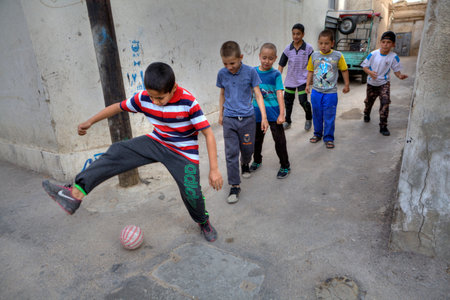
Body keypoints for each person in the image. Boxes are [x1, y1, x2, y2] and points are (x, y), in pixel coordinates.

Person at [42, 62, 223, 242]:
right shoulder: (144, 98)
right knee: (118, 150)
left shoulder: (188, 102)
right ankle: (75, 193)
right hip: (157, 141)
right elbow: (118, 107)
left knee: (191, 192)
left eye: (160, 98)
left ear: (173, 88)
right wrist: (91, 121)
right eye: (152, 97)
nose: (155, 102)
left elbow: (208, 133)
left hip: (184, 152)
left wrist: (214, 169)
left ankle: (203, 222)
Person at [216, 41, 269, 204]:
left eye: (232, 63)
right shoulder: (222, 73)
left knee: (247, 149)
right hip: (230, 119)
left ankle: (245, 163)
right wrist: (221, 113)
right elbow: (222, 94)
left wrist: (264, 117)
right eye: (225, 63)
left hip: (247, 119)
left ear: (241, 57)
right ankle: (234, 185)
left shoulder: (250, 72)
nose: (229, 67)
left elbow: (258, 94)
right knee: (231, 153)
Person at [250, 43, 291, 179]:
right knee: (256, 140)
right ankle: (257, 160)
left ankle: (285, 165)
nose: (267, 61)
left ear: (275, 58)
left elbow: (280, 93)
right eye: (264, 57)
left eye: (270, 58)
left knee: (279, 141)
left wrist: (281, 113)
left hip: (274, 114)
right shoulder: (253, 72)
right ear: (259, 56)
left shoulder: (276, 74)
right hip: (257, 113)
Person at [306, 29, 350, 149]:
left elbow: (344, 70)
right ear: (318, 43)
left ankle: (329, 137)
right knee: (316, 114)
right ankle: (317, 134)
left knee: (329, 115)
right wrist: (307, 85)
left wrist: (346, 85)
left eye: (326, 43)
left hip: (330, 93)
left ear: (332, 43)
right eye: (321, 43)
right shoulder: (314, 55)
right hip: (316, 91)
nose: (323, 46)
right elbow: (310, 70)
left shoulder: (338, 56)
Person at [361, 31, 408, 136]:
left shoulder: (393, 57)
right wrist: (370, 72)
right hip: (371, 83)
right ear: (380, 43)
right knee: (369, 102)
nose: (385, 44)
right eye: (383, 42)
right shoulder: (373, 54)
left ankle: (383, 126)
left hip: (384, 84)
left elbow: (396, 71)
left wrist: (400, 76)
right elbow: (364, 67)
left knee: (385, 103)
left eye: (388, 42)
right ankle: (366, 113)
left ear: (393, 44)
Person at [278, 23, 314, 131]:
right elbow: (281, 65)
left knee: (303, 101)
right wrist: (277, 80)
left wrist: (311, 78)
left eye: (298, 34)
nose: (295, 36)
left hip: (303, 80)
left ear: (303, 34)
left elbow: (313, 65)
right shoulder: (288, 49)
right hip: (290, 79)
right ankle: (287, 121)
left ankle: (309, 118)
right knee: (288, 102)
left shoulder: (308, 48)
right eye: (293, 34)